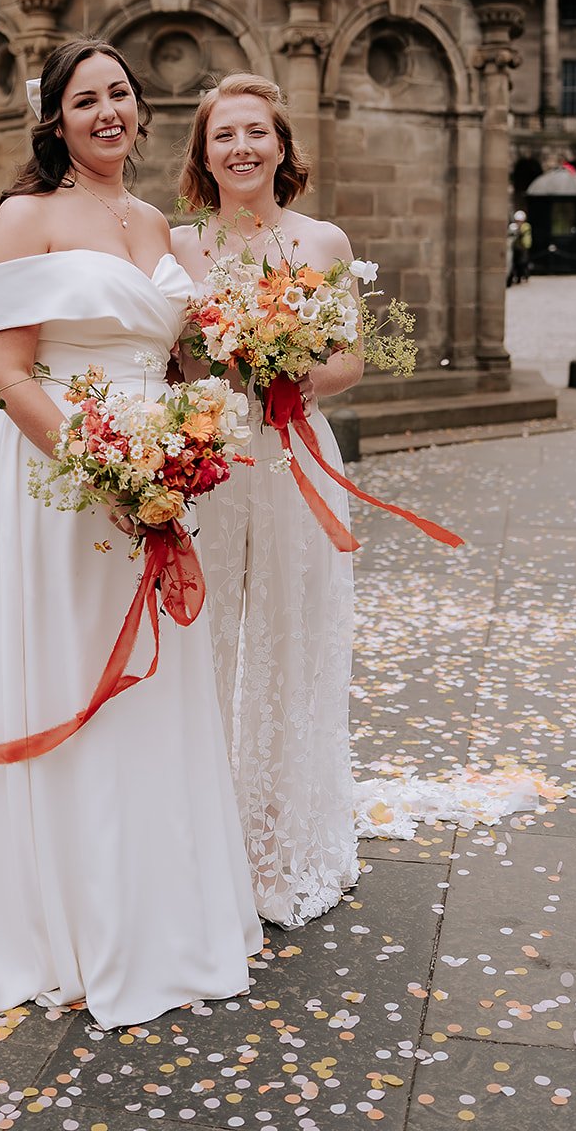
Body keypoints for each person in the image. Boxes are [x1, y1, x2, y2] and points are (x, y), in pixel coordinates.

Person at [0, 39, 260, 1038]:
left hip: (153, 475)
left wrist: (189, 439)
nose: (108, 112)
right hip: (59, 479)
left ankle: (158, 913)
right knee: (71, 679)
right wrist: (101, 467)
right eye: (86, 99)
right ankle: (64, 921)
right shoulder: (26, 216)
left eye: (122, 95)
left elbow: (184, 350)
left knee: (153, 693)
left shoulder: (154, 221)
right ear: (53, 119)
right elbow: (5, 370)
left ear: (140, 111)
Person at [171, 74, 364, 928]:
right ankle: (193, 833)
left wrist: (286, 370)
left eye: (256, 133)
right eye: (223, 136)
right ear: (203, 154)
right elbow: (168, 359)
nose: (240, 148)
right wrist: (207, 376)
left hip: (293, 455)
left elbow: (352, 361)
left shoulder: (320, 241)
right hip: (210, 458)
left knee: (293, 639)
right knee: (199, 643)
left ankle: (284, 836)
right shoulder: (178, 246)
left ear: (282, 147)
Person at [509, 209, 532, 284]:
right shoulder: (514, 226)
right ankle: (517, 277)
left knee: (523, 262)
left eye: (520, 221)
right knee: (515, 263)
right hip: (515, 247)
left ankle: (525, 276)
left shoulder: (526, 226)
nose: (518, 222)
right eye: (517, 221)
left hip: (523, 247)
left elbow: (524, 234)